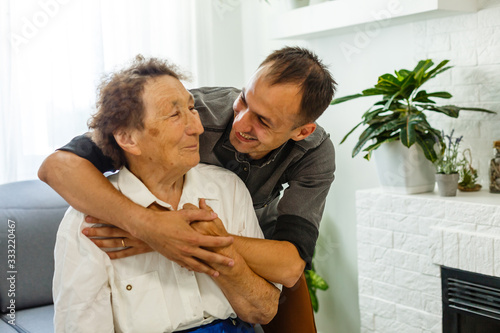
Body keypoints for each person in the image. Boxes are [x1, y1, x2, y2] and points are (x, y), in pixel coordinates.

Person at [40, 46, 336, 290]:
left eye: (263, 121)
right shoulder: (195, 114)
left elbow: (290, 265)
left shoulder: (315, 154)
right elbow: (57, 166)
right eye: (243, 100)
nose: (241, 122)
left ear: (302, 132)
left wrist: (186, 240)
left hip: (250, 263)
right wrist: (149, 227)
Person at [53, 56, 280, 333]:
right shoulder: (86, 222)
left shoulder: (228, 188)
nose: (197, 127)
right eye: (174, 115)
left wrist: (218, 250)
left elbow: (264, 311)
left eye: (192, 109)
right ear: (127, 138)